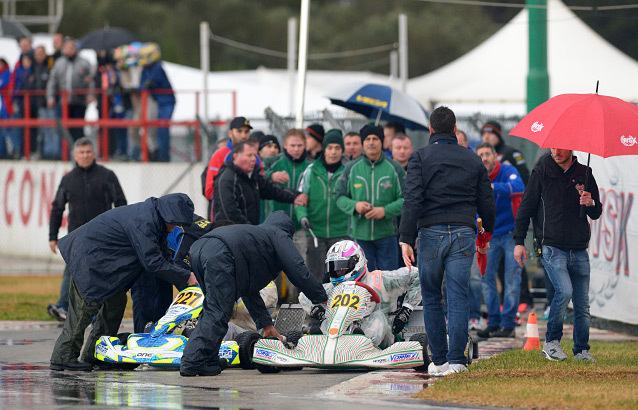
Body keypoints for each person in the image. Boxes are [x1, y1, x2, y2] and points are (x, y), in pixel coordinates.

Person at [50, 193, 198, 371]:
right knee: (84, 308)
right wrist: (186, 277)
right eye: (174, 222)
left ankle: (96, 353)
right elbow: (152, 262)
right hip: (89, 260)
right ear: (167, 214)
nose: (175, 227)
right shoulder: (144, 221)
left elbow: (164, 256)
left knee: (116, 303)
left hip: (106, 265)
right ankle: (63, 356)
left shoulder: (155, 219)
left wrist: (185, 282)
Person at [399, 106, 495, 376]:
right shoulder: (472, 158)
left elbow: (413, 199)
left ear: (431, 129)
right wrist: (485, 234)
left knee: (431, 296)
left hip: (430, 232)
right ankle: (457, 362)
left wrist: (406, 237)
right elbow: (486, 200)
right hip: (464, 232)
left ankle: (438, 361)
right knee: (458, 296)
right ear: (455, 130)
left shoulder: (419, 157)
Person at [179, 211, 327, 377]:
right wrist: (321, 298)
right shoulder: (277, 234)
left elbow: (249, 291)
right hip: (220, 253)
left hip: (200, 248)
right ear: (288, 231)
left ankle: (208, 359)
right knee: (217, 312)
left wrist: (266, 325)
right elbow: (298, 269)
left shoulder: (255, 238)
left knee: (213, 309)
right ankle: (191, 362)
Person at [514, 148, 601, 362]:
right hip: (551, 246)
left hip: (579, 247)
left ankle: (581, 350)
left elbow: (596, 212)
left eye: (561, 146)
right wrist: (519, 243)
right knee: (564, 291)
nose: (556, 151)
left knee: (582, 304)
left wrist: (590, 203)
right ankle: (551, 342)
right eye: (553, 146)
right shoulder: (541, 173)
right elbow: (525, 210)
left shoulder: (585, 173)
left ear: (571, 147)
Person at [48, 138, 127, 322]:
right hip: (76, 235)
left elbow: (121, 204)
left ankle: (98, 312)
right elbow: (57, 208)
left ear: (94, 154)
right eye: (81, 153)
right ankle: (63, 307)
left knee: (100, 274)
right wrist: (53, 236)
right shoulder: (68, 180)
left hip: (103, 236)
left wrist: (121, 232)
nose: (85, 156)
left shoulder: (107, 176)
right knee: (71, 270)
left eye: (88, 152)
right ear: (75, 156)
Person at [299, 240, 421, 348]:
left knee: (378, 317)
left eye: (341, 267)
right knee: (327, 320)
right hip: (340, 337)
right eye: (333, 267)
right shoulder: (333, 287)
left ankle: (362, 340)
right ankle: (323, 342)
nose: (337, 271)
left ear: (356, 262)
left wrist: (406, 310)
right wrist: (320, 313)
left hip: (384, 337)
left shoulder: (380, 280)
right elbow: (305, 295)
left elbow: (417, 275)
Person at [130, 214, 226, 333]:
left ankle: (161, 335)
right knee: (147, 301)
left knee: (164, 302)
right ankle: (141, 340)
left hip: (163, 259)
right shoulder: (193, 236)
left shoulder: (207, 229)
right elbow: (181, 270)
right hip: (146, 258)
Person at [480, 120, 534, 312]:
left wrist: (496, 188)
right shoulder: (477, 169)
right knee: (489, 277)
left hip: (511, 229)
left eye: (491, 133)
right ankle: (495, 318)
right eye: (483, 134)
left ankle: (519, 307)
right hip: (490, 233)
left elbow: (524, 183)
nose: (487, 137)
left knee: (513, 273)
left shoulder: (511, 155)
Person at [336, 125, 405, 271]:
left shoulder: (395, 168)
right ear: (363, 143)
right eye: (367, 139)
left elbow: (406, 199)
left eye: (375, 139)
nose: (371, 142)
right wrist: (355, 206)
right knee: (364, 281)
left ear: (382, 142)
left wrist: (385, 211)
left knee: (389, 281)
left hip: (388, 236)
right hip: (359, 236)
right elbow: (339, 196)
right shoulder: (351, 168)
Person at [474, 142, 524, 339]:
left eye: (487, 154)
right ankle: (493, 322)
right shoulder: (475, 175)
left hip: (511, 233)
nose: (484, 158)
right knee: (486, 278)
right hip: (489, 234)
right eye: (480, 155)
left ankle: (508, 324)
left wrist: (492, 187)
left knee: (512, 278)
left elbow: (519, 187)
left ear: (495, 156)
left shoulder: (508, 170)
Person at [295, 129, 350, 282]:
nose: (333, 152)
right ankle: (317, 304)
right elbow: (300, 199)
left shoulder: (348, 172)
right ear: (324, 149)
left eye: (337, 148)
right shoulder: (311, 171)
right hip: (315, 232)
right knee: (315, 273)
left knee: (341, 275)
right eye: (330, 148)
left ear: (342, 150)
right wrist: (302, 216)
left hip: (341, 231)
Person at [213, 141, 306, 225]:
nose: (253, 159)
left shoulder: (253, 176)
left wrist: (295, 197)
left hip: (248, 234)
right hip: (231, 236)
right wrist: (251, 230)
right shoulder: (227, 179)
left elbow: (272, 190)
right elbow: (230, 211)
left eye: (254, 155)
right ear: (236, 156)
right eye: (249, 155)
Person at [264, 128, 312, 258]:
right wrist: (271, 175)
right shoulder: (273, 163)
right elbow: (257, 174)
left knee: (300, 265)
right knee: (273, 267)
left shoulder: (311, 166)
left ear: (305, 145)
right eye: (292, 145)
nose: (296, 149)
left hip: (300, 227)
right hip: (276, 225)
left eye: (299, 145)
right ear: (285, 145)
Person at [204, 116, 256, 218]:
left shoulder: (255, 156)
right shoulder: (219, 156)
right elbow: (209, 191)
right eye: (239, 131)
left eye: (246, 132)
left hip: (250, 217)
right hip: (224, 218)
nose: (243, 135)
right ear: (230, 133)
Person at [46, 38, 93, 142]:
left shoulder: (84, 62)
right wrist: (50, 97)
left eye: (72, 47)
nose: (70, 50)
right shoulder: (59, 63)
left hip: (80, 101)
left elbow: (90, 81)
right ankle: (68, 152)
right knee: (65, 128)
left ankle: (80, 150)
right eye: (67, 47)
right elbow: (52, 81)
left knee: (78, 127)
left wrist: (90, 95)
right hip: (64, 101)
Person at [139, 48, 174, 161]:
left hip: (166, 102)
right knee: (152, 129)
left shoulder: (157, 68)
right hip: (157, 102)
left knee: (163, 128)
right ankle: (155, 153)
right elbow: (142, 85)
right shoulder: (146, 69)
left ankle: (164, 157)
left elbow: (150, 82)